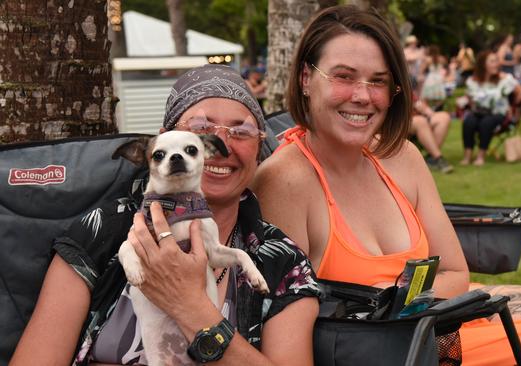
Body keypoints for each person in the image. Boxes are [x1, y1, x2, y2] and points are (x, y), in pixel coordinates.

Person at [252, 5, 521, 365]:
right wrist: (404, 298)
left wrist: (394, 296)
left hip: (445, 315)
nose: (362, 96)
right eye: (343, 77)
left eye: (378, 81)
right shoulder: (285, 180)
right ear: (306, 77)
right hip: (399, 348)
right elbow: (288, 330)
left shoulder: (400, 157)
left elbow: (456, 272)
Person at [10, 64, 320, 365]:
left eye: (242, 131)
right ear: (160, 144)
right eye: (199, 128)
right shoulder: (102, 232)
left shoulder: (281, 261)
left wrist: (190, 306)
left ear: (259, 148)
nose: (221, 143)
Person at [461, 50, 521, 166]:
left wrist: (513, 107)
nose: (497, 64)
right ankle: (467, 156)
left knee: (486, 122)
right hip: (479, 111)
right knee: (469, 121)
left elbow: (520, 92)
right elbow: (470, 99)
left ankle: (481, 156)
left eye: (496, 61)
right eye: (492, 61)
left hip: (499, 114)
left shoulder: (505, 79)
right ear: (483, 64)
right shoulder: (473, 81)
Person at [411, 97, 453, 173]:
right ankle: (438, 158)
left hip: (417, 115)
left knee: (444, 117)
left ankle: (430, 158)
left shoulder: (407, 88)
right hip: (400, 122)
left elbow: (416, 100)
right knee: (420, 121)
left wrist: (424, 108)